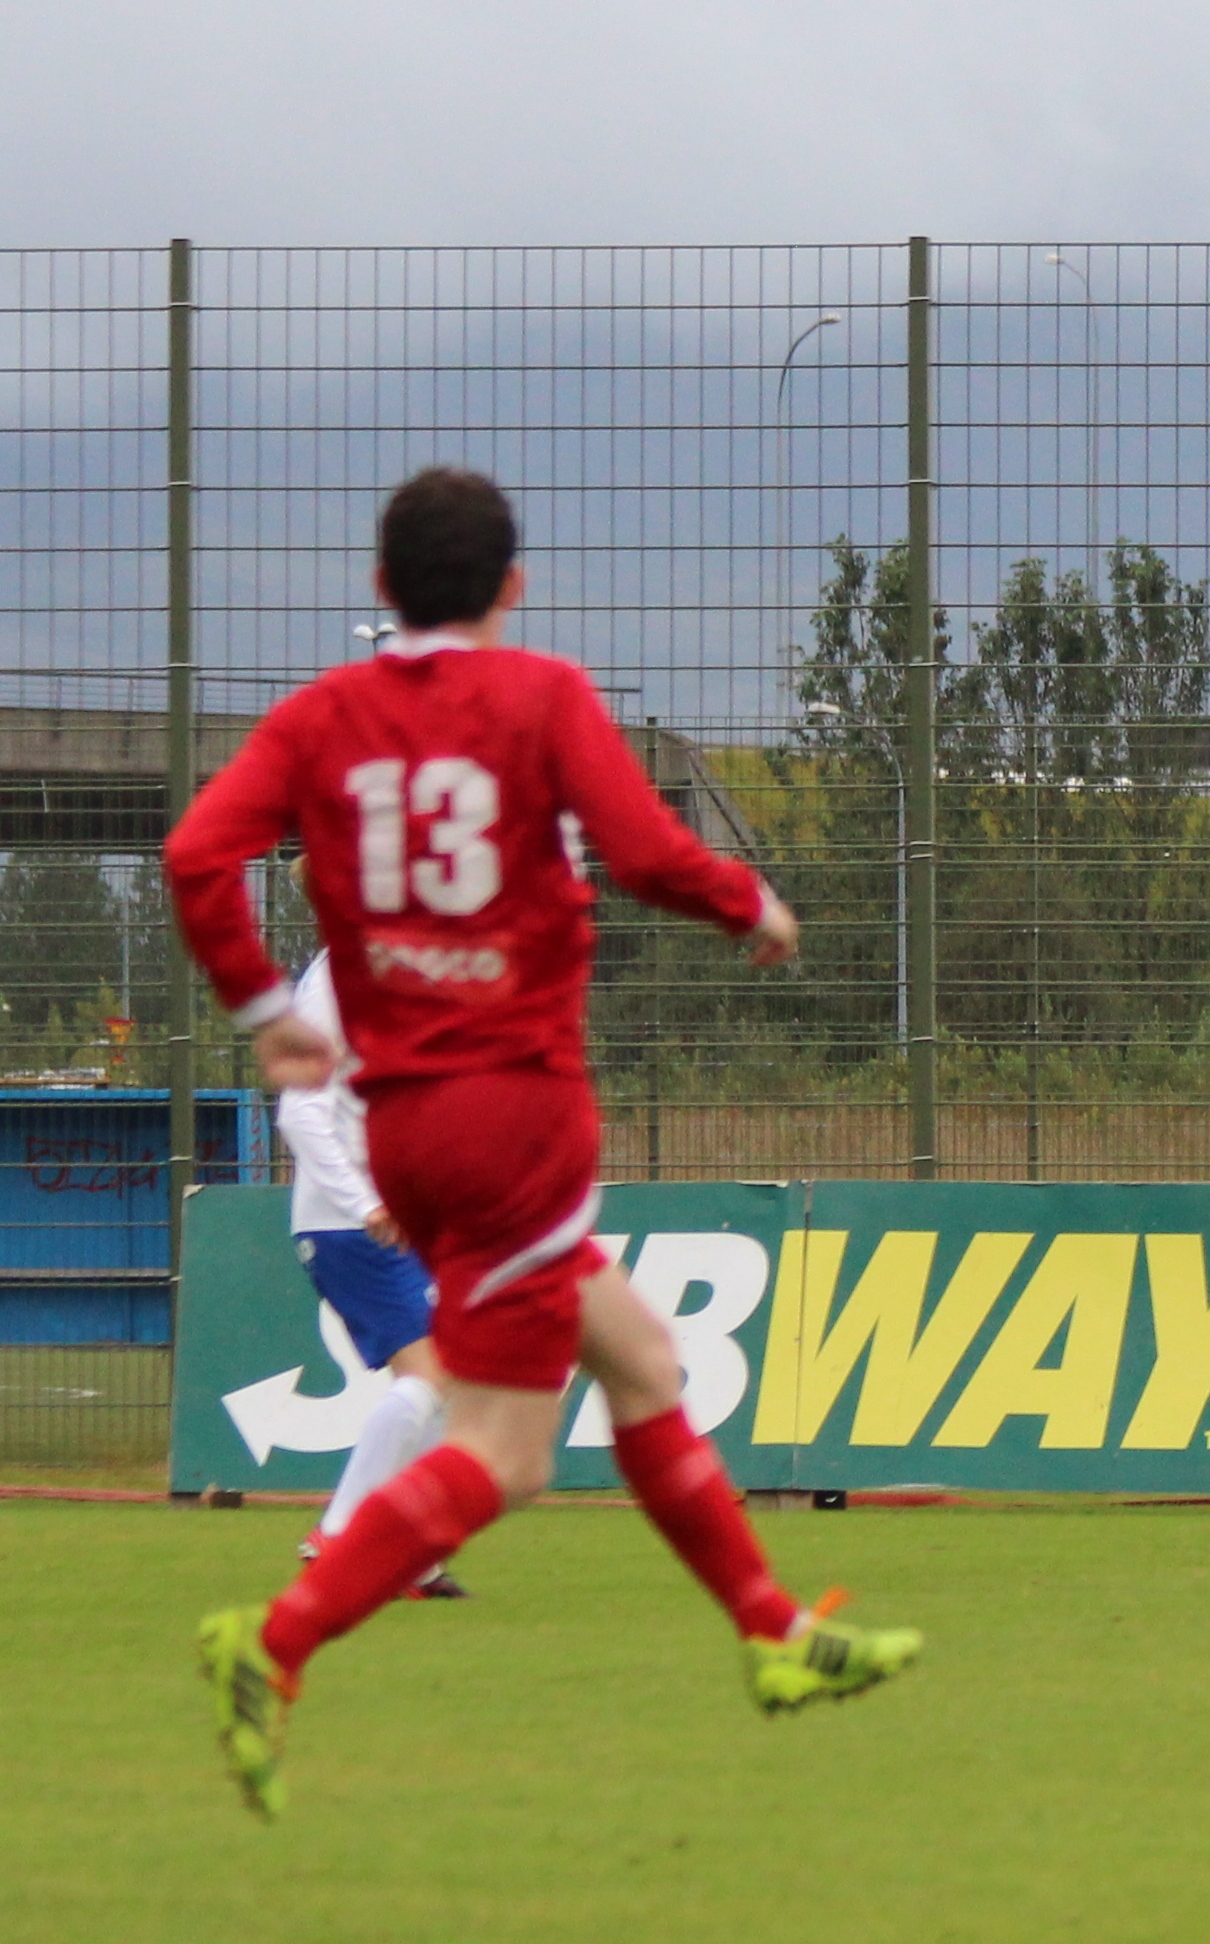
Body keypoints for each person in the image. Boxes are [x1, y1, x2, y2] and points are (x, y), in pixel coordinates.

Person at [169, 467, 919, 1821]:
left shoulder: (322, 717)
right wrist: (749, 903)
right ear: (514, 586)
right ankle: (275, 1639)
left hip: (409, 1128)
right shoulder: (542, 698)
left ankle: (773, 1631)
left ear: (382, 587)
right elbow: (645, 850)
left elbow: (194, 857)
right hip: (513, 1117)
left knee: (641, 1358)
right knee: (508, 1453)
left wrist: (267, 1012)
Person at [281, 934, 465, 1598]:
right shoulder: (342, 971)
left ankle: (407, 1553)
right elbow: (299, 1111)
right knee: (430, 1376)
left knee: (451, 1378)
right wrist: (366, 1203)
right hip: (349, 1222)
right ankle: (340, 1534)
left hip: (391, 1217)